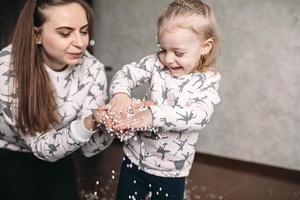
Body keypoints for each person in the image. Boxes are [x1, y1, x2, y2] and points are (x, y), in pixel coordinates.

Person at [106, 0, 221, 199]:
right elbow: (125, 74)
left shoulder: (207, 81)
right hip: (135, 158)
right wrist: (121, 95)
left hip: (171, 171)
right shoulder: (154, 63)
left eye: (178, 53)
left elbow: (199, 116)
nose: (168, 59)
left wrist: (153, 115)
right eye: (163, 49)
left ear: (205, 47)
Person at [0, 0, 114, 200]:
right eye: (65, 33)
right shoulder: (7, 69)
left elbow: (89, 148)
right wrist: (90, 122)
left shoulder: (92, 69)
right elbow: (42, 147)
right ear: (37, 35)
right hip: (10, 150)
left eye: (84, 31)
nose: (80, 43)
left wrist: (112, 124)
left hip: (62, 147)